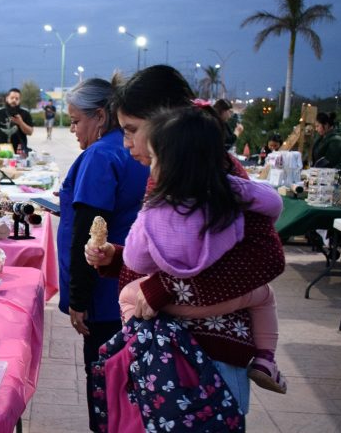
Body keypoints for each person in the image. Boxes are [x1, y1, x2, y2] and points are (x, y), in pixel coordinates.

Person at [86, 64, 286, 415]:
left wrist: (163, 288)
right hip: (171, 355)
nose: (126, 142)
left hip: (208, 362)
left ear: (168, 119)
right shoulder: (167, 167)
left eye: (132, 129)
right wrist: (117, 258)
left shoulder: (211, 169)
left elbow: (265, 256)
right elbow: (181, 249)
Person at [120, 105, 287, 394]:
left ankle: (132, 341)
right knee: (264, 296)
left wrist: (162, 280)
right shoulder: (229, 192)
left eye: (133, 129)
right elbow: (273, 203)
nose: (129, 143)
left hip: (178, 316)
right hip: (229, 302)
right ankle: (266, 359)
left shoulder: (157, 207)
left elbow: (135, 259)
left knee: (128, 296)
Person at [57, 78, 149, 432]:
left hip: (105, 293)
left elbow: (89, 235)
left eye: (76, 120)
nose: (73, 130)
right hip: (132, 286)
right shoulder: (134, 149)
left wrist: (79, 299)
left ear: (99, 116)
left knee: (106, 388)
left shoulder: (99, 155)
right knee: (129, 387)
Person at [0, 88, 34, 157]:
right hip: (2, 153)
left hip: (20, 154)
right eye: (12, 98)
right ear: (7, 99)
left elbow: (30, 132)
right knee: (1, 168)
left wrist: (21, 122)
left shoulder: (25, 114)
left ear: (19, 101)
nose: (14, 100)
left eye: (17, 98)